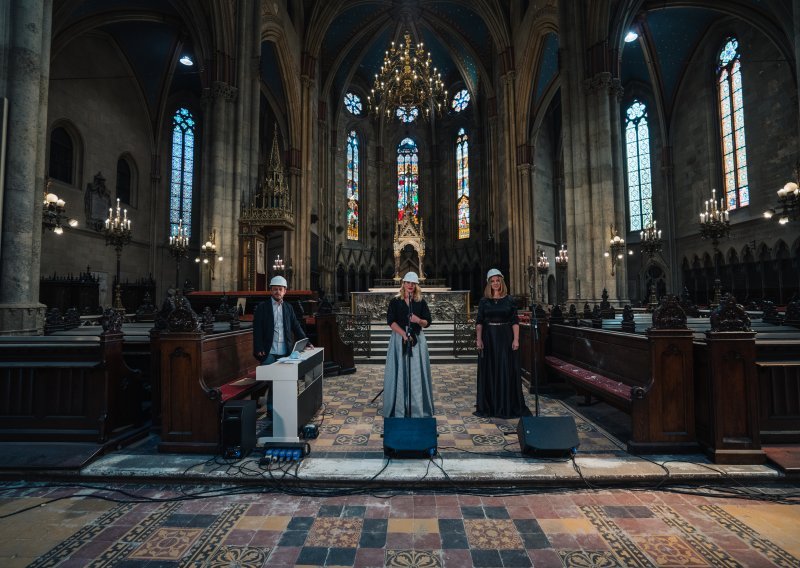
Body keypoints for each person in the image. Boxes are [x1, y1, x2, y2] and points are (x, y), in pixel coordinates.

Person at [475, 268, 529, 418]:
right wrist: (478, 339)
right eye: (492, 281)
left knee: (505, 370)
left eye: (498, 280)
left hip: (505, 338)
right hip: (488, 338)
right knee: (490, 370)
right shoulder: (484, 301)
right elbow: (479, 322)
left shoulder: (510, 300)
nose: (495, 283)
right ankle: (490, 405)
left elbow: (515, 321)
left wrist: (516, 339)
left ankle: (505, 403)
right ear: (489, 283)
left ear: (502, 282)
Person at [382, 271, 435, 418]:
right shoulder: (395, 301)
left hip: (417, 340)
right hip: (400, 339)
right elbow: (391, 321)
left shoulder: (420, 302)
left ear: (416, 285)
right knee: (400, 371)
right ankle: (399, 406)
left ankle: (417, 407)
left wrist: (418, 320)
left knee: (416, 374)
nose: (410, 285)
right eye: (408, 283)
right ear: (403, 284)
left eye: (413, 283)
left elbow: (427, 322)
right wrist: (404, 335)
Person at [253, 275, 308, 365]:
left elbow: (296, 326)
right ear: (271, 290)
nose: (277, 292)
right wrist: (258, 347)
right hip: (268, 351)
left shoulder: (288, 307)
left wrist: (306, 342)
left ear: (284, 291)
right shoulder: (262, 307)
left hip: (285, 351)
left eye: (280, 289)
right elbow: (257, 329)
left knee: (284, 377)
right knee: (268, 377)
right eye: (275, 289)